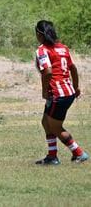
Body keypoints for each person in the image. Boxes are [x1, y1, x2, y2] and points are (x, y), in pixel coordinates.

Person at [34, 20, 87, 165]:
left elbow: (48, 72)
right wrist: (76, 87)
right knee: (46, 122)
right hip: (67, 92)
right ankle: (52, 156)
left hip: (57, 94)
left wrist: (45, 90)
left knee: (55, 128)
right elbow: (73, 69)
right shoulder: (63, 48)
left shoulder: (42, 50)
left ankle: (79, 153)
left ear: (39, 34)